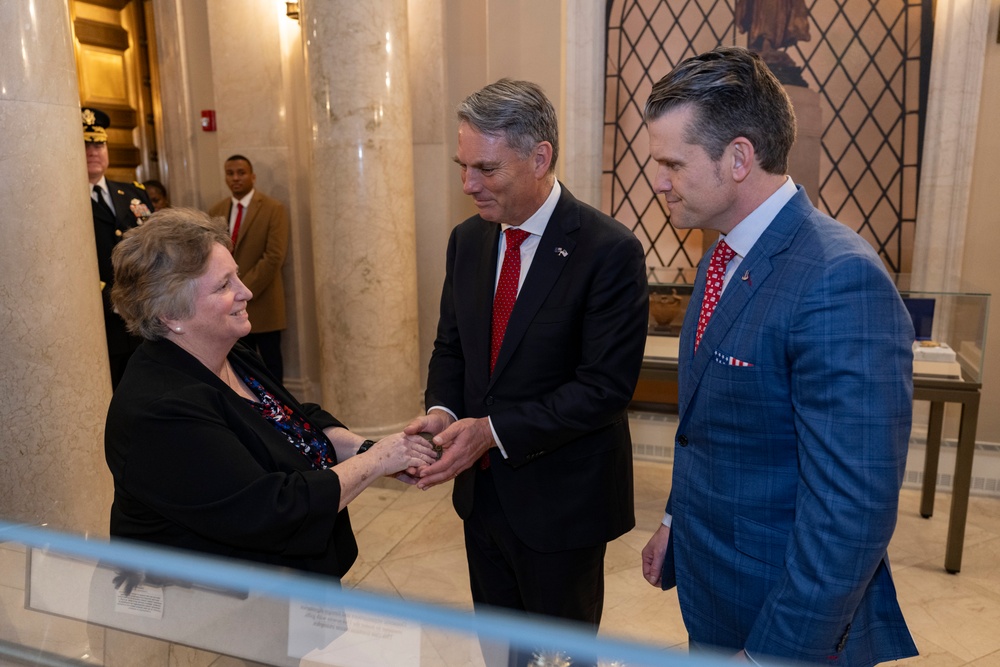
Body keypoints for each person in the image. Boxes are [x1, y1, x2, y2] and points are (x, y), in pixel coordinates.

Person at [639, 46, 918, 665]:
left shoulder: (840, 279)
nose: (657, 181)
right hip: (717, 588)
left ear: (739, 157)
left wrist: (772, 654)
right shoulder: (721, 253)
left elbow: (852, 513)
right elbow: (712, 426)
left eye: (671, 164)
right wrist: (675, 521)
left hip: (787, 621)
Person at [405, 79, 648, 660]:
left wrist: (491, 430)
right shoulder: (467, 241)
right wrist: (442, 411)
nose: (468, 185)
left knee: (556, 655)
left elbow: (604, 389)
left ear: (539, 158)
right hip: (481, 497)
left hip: (563, 502)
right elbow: (452, 347)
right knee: (499, 648)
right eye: (463, 166)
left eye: (486, 169)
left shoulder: (607, 250)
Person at [105, 208, 437, 577]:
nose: (245, 292)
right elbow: (271, 510)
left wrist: (366, 449)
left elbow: (292, 419)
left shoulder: (231, 351)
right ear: (171, 315)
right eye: (224, 286)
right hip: (216, 611)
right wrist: (375, 464)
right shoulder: (161, 411)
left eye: (237, 277)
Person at [84, 107, 153, 389]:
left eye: (99, 144)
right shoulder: (61, 199)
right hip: (97, 319)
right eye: (85, 145)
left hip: (139, 318)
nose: (93, 151)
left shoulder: (133, 193)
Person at [208, 155, 289, 382]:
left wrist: (239, 289)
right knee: (238, 367)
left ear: (252, 176)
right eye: (230, 173)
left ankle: (279, 414)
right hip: (229, 307)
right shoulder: (216, 210)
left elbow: (274, 257)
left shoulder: (274, 208)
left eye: (241, 173)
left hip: (264, 303)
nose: (235, 178)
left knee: (271, 366)